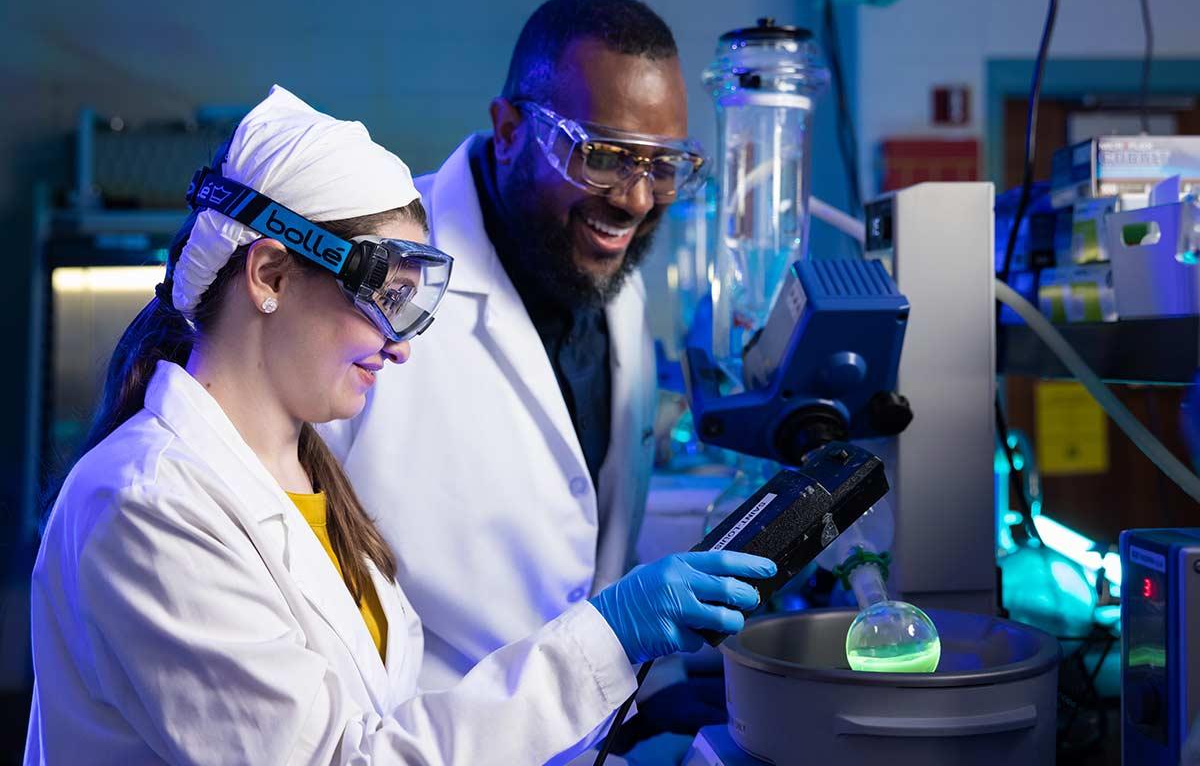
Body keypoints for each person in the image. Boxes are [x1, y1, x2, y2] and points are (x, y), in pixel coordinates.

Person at [24, 86, 774, 765]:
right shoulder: (145, 508)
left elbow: (388, 715)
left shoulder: (307, 470)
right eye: (383, 297)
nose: (402, 344)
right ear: (271, 275)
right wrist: (606, 635)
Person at [320, 0, 711, 750]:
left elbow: (593, 551)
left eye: (663, 167)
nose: (635, 200)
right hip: (417, 742)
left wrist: (647, 693)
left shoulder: (612, 280)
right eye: (602, 156)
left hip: (587, 736)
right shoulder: (379, 274)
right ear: (509, 130)